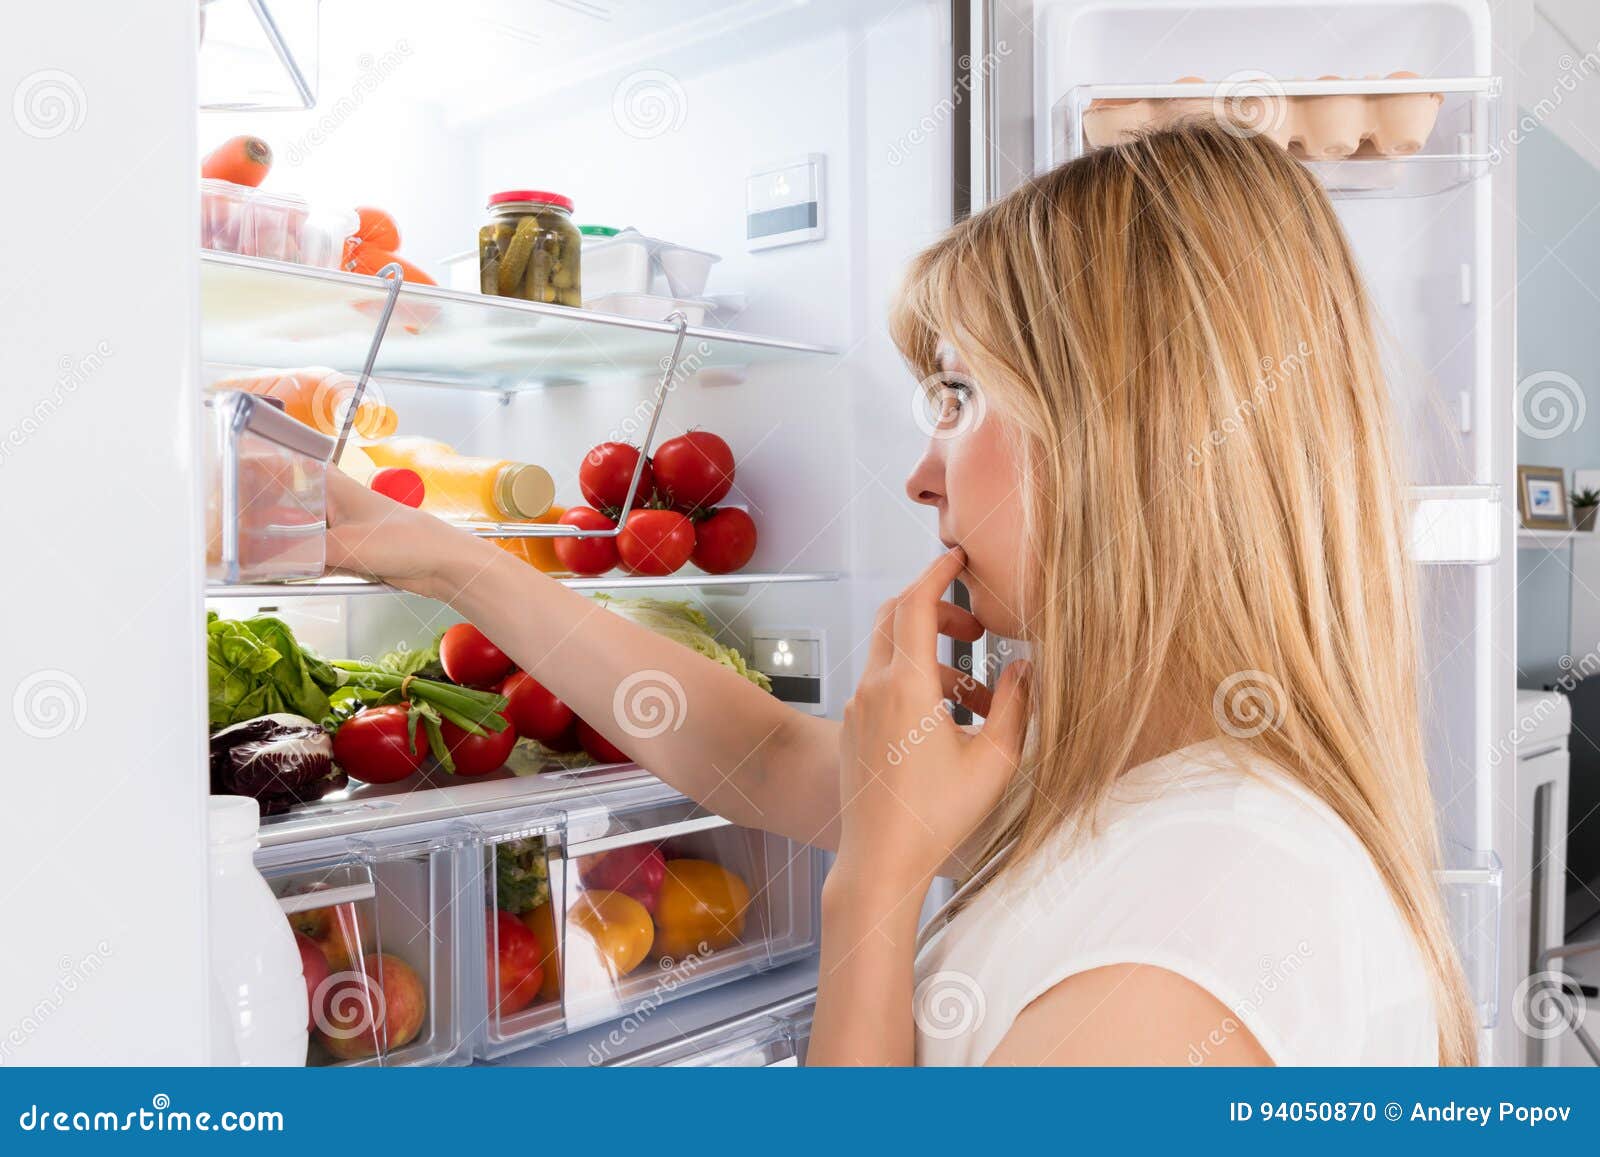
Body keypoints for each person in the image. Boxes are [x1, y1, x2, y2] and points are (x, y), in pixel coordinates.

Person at [325, 121, 1474, 1066]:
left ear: (1131, 440)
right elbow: (765, 755)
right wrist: (442, 557)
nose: (922, 472)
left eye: (961, 396)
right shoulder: (1117, 768)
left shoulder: (1183, 952)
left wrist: (872, 892)